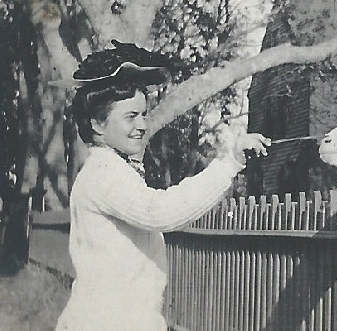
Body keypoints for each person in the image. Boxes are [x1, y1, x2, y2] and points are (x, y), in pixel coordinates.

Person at [55, 67, 270, 331]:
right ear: (98, 124)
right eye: (131, 116)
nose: (142, 125)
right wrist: (230, 164)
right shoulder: (103, 173)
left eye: (144, 114)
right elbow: (160, 212)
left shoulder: (111, 168)